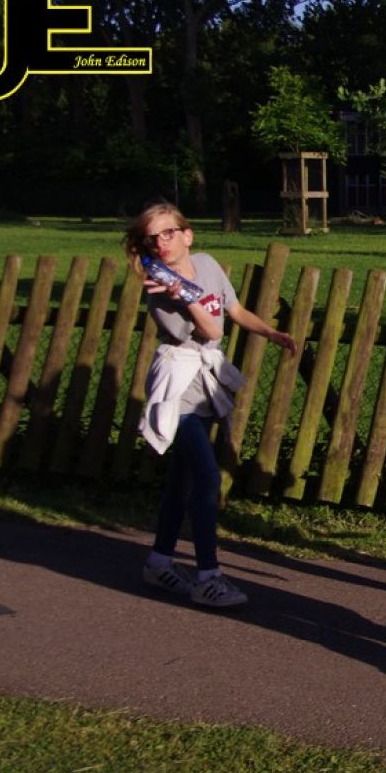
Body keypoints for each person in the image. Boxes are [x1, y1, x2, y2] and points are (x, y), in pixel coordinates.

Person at [124, 201, 296, 608]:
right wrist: (183, 295)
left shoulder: (207, 264)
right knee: (207, 479)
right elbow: (211, 329)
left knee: (181, 480)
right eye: (152, 238)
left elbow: (233, 310)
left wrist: (270, 333)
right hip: (178, 383)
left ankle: (158, 562)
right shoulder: (160, 288)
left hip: (203, 382)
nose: (161, 243)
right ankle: (208, 577)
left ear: (187, 235)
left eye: (169, 233)